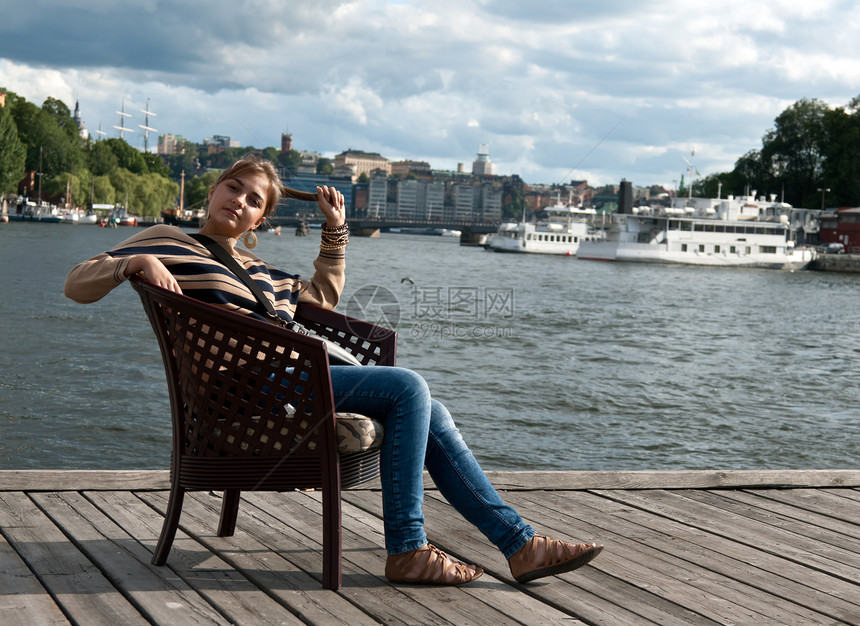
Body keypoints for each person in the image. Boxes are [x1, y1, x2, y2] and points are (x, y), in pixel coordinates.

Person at [65, 155, 603, 585]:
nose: (240, 201)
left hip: (289, 383)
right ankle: (410, 548)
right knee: (409, 388)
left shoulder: (259, 268)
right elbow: (77, 283)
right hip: (244, 393)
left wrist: (336, 230)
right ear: (213, 191)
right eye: (234, 188)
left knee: (428, 407)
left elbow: (318, 299)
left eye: (255, 200)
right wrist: (134, 262)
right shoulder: (165, 239)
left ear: (260, 220)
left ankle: (520, 545)